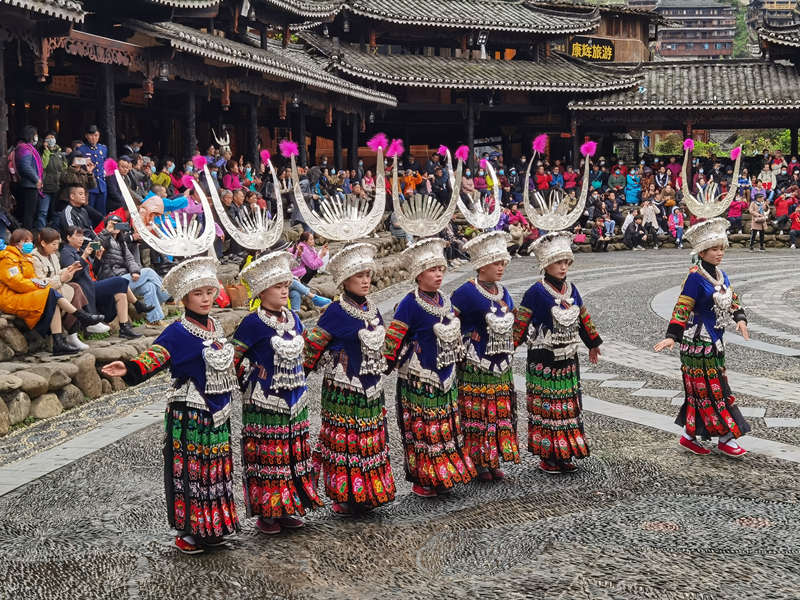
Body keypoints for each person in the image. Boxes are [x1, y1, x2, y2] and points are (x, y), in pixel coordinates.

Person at [101, 257, 241, 554]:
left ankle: (213, 526)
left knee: (215, 469)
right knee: (190, 471)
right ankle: (190, 531)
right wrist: (130, 368)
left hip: (218, 411)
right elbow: (157, 355)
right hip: (190, 411)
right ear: (184, 297)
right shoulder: (178, 331)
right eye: (198, 294)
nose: (205, 299)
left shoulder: (215, 325)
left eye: (209, 292)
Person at [232, 251, 323, 534]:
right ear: (261, 290)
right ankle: (267, 513)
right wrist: (246, 381)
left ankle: (289, 506)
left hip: (295, 400)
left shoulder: (293, 318)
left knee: (292, 455)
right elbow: (234, 358)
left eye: (286, 285)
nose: (285, 291)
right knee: (268, 457)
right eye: (278, 287)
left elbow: (304, 352)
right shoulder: (252, 323)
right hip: (265, 402)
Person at [303, 243, 396, 516]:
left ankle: (370, 490)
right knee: (345, 441)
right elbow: (312, 349)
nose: (366, 280)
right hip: (343, 388)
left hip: (370, 386)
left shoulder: (373, 309)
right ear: (345, 280)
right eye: (359, 276)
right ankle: (345, 493)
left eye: (368, 274)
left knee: (370, 438)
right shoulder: (334, 311)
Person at [383, 239, 476, 497]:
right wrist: (384, 365)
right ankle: (423, 477)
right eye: (433, 270)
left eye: (441, 269)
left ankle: (445, 471)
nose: (438, 274)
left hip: (445, 373)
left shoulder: (445, 300)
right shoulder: (409, 303)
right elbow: (393, 339)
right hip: (419, 376)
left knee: (446, 425)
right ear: (418, 274)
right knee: (422, 429)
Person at [654, 219, 750, 458]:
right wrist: (672, 336)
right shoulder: (695, 278)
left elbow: (732, 298)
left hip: (715, 342)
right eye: (715, 249)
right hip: (697, 343)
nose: (720, 254)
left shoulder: (721, 275)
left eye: (722, 249)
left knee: (705, 390)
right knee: (713, 390)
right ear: (702, 251)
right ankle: (726, 437)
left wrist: (740, 318)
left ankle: (689, 435)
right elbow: (682, 307)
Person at [513, 231, 602, 473]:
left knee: (567, 405)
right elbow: (521, 322)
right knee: (549, 407)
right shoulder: (535, 292)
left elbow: (583, 316)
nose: (563, 268)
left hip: (568, 356)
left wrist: (593, 342)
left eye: (566, 262)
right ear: (546, 264)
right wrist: (508, 346)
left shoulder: (571, 288)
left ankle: (566, 452)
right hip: (544, 357)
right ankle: (548, 455)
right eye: (558, 263)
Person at [450, 231, 520, 481]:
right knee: (478, 413)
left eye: (503, 263)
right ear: (482, 265)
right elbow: (449, 323)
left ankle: (494, 458)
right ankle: (478, 460)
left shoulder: (503, 291)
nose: (501, 268)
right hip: (475, 363)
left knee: (499, 412)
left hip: (501, 364)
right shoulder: (464, 293)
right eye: (496, 263)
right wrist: (467, 337)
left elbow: (515, 318)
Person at [0, 229, 104, 355]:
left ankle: (59, 342)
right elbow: (17, 283)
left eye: (31, 241)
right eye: (26, 241)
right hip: (10, 297)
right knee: (50, 293)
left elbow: (33, 279)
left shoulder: (26, 258)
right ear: (17, 243)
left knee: (55, 294)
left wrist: (68, 270)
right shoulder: (7, 259)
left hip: (26, 293)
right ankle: (82, 317)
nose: (30, 244)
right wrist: (39, 284)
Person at [60, 225, 144, 339]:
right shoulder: (66, 252)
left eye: (82, 235)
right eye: (77, 235)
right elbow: (74, 274)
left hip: (93, 284)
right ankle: (137, 305)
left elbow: (93, 271)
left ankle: (124, 328)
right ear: (68, 238)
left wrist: (98, 259)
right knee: (120, 281)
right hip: (86, 288)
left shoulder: (79, 251)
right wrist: (85, 256)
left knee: (121, 294)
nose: (81, 238)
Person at [31, 227, 100, 350]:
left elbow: (57, 273)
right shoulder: (34, 258)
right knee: (58, 292)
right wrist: (62, 278)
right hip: (44, 292)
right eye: (53, 244)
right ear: (43, 243)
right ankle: (80, 320)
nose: (56, 247)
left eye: (57, 244)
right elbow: (41, 282)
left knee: (76, 288)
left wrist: (69, 269)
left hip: (56, 287)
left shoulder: (52, 255)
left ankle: (74, 332)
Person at [96, 215, 169, 325]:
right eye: (113, 223)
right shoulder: (103, 238)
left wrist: (135, 271)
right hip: (112, 280)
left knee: (149, 286)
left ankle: (154, 321)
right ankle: (166, 296)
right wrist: (107, 231)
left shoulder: (121, 241)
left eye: (118, 223)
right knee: (148, 272)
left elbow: (130, 259)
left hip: (125, 277)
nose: (116, 226)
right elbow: (96, 248)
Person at [14, 125, 44, 229]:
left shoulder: (24, 147)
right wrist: (37, 179)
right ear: (30, 135)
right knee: (29, 214)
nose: (37, 137)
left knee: (29, 213)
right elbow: (25, 166)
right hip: (29, 185)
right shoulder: (24, 148)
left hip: (29, 184)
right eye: (35, 135)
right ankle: (27, 236)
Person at [77, 125, 108, 214]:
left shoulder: (103, 148)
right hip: (89, 185)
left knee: (102, 212)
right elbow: (73, 161)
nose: (93, 138)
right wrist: (84, 160)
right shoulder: (81, 149)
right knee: (89, 211)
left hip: (101, 185)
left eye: (96, 135)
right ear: (86, 136)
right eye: (91, 135)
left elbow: (105, 163)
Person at [41, 131, 66, 227]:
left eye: (52, 137)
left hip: (57, 186)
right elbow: (43, 165)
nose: (51, 139)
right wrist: (46, 150)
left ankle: (55, 229)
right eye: (48, 138)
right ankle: (41, 230)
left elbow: (64, 168)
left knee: (56, 211)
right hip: (45, 187)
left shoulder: (60, 153)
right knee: (43, 211)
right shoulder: (42, 152)